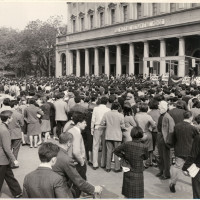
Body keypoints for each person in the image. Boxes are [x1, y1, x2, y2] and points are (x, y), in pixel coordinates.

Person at [53, 132, 103, 198]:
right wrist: (94, 189)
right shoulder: (66, 159)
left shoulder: (53, 151)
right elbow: (78, 181)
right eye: (71, 143)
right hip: (61, 190)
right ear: (68, 143)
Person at [114, 126, 148, 198]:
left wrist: (123, 156)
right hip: (138, 172)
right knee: (137, 195)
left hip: (128, 171)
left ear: (131, 134)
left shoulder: (126, 144)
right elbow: (146, 157)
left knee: (127, 194)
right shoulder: (144, 147)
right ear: (141, 135)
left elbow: (116, 150)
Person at [169, 111, 198, 193]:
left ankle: (172, 183)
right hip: (190, 151)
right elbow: (197, 138)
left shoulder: (177, 126)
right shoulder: (192, 128)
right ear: (191, 117)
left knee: (177, 167)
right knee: (193, 167)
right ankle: (194, 183)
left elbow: (174, 138)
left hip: (179, 149)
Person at [0, 110, 22, 198]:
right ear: (8, 119)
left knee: (9, 176)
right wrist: (14, 160)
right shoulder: (4, 130)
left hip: (3, 159)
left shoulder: (2, 127)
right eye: (11, 117)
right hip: (2, 158)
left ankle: (17, 192)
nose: (12, 118)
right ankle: (17, 192)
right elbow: (7, 148)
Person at [101, 102, 125, 172]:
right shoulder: (120, 115)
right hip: (117, 135)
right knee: (117, 152)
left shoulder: (106, 114)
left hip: (108, 134)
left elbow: (102, 123)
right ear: (118, 107)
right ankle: (117, 167)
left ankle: (108, 167)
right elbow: (122, 126)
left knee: (109, 151)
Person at [68, 112, 88, 197]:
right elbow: (76, 151)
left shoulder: (70, 130)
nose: (86, 124)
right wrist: (82, 161)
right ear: (79, 123)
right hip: (77, 163)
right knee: (79, 184)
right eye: (84, 123)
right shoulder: (77, 134)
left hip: (70, 162)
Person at [156, 100, 175, 180]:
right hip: (160, 136)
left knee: (166, 157)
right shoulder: (161, 116)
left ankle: (166, 173)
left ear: (163, 108)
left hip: (165, 138)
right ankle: (162, 170)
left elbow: (171, 130)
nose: (158, 109)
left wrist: (169, 141)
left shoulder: (168, 117)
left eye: (159, 108)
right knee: (160, 156)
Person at [91, 96, 110, 170]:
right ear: (106, 102)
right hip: (105, 127)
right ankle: (103, 163)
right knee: (104, 145)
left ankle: (95, 163)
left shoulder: (96, 108)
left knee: (95, 145)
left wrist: (91, 128)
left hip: (97, 127)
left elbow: (93, 119)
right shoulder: (108, 109)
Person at [135, 103, 156, 167]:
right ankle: (149, 162)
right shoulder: (148, 116)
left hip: (139, 133)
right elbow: (154, 125)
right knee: (149, 149)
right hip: (147, 133)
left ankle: (141, 162)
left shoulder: (136, 116)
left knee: (139, 149)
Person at [182, 134, 200, 199]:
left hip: (198, 168)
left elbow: (193, 155)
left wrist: (185, 167)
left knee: (197, 193)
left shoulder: (198, 137)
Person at [8, 100, 24, 169]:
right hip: (17, 133)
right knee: (15, 150)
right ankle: (13, 163)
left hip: (8, 133)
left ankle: (7, 162)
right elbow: (22, 124)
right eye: (17, 105)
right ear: (15, 105)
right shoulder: (19, 114)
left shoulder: (7, 113)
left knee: (8, 149)